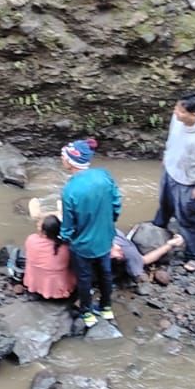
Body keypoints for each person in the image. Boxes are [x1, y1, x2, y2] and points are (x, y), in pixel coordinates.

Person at [59, 137, 122, 328]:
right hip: (105, 239)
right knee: (105, 273)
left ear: (70, 161)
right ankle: (106, 307)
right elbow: (116, 204)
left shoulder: (70, 189)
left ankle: (87, 312)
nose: (61, 159)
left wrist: (64, 238)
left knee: (84, 278)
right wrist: (109, 226)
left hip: (83, 245)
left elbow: (69, 226)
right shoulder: (104, 176)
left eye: (63, 156)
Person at [152, 92, 195, 262]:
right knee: (164, 206)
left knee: (190, 220)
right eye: (176, 108)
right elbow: (172, 138)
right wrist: (167, 155)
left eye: (181, 111)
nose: (176, 113)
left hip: (188, 182)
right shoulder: (178, 120)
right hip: (170, 172)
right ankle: (155, 234)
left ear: (194, 114)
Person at [22, 213, 75, 301]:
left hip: (36, 284)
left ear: (44, 233)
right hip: (59, 288)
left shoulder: (31, 240)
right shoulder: (65, 247)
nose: (37, 224)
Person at [109, 227, 184, 281]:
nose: (117, 254)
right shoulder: (102, 232)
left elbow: (144, 260)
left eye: (119, 252)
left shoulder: (129, 253)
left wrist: (169, 245)